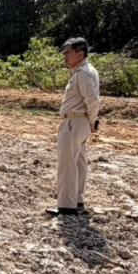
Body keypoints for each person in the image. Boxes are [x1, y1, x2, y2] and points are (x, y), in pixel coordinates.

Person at [47, 37, 101, 216]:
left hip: (74, 122)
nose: (65, 56)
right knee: (78, 162)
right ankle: (77, 200)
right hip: (79, 122)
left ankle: (66, 205)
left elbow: (93, 100)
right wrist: (91, 121)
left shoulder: (83, 73)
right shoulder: (86, 71)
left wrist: (92, 121)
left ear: (80, 54)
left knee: (68, 163)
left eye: (68, 53)